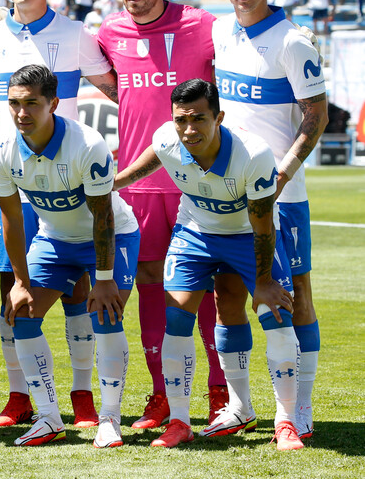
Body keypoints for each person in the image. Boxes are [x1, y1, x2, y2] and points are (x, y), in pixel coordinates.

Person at [114, 79, 304, 451]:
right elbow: (155, 154)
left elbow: (263, 223)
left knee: (274, 313)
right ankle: (187, 420)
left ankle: (286, 420)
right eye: (180, 120)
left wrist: (264, 281)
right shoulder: (169, 137)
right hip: (195, 233)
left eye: (198, 119)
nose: (188, 129)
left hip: (250, 235)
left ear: (219, 116)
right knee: (179, 318)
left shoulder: (253, 154)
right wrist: (114, 182)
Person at [0, 0, 116, 429]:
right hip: (12, 179)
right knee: (10, 288)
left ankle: (81, 395)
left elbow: (120, 88)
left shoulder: (76, 34)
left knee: (79, 287)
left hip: (67, 181)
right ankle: (20, 395)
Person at [95, 0, 227, 429]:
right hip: (141, 184)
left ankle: (219, 391)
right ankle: (162, 396)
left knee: (207, 285)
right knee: (150, 283)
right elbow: (118, 87)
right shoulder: (109, 32)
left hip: (198, 180)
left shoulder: (204, 24)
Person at [0, 65, 139, 448]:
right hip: (54, 239)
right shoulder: (1, 149)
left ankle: (110, 419)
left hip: (110, 235)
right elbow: (11, 219)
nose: (21, 113)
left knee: (105, 316)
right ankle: (49, 418)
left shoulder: (87, 145)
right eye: (14, 104)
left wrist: (103, 280)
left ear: (53, 103)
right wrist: (20, 283)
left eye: (31, 104)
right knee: (20, 315)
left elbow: (102, 216)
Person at [214, 0, 327, 441]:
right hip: (228, 194)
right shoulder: (221, 31)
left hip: (284, 195)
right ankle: (241, 405)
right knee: (229, 292)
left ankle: (300, 407)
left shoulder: (293, 41)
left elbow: (316, 116)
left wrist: (280, 175)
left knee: (296, 292)